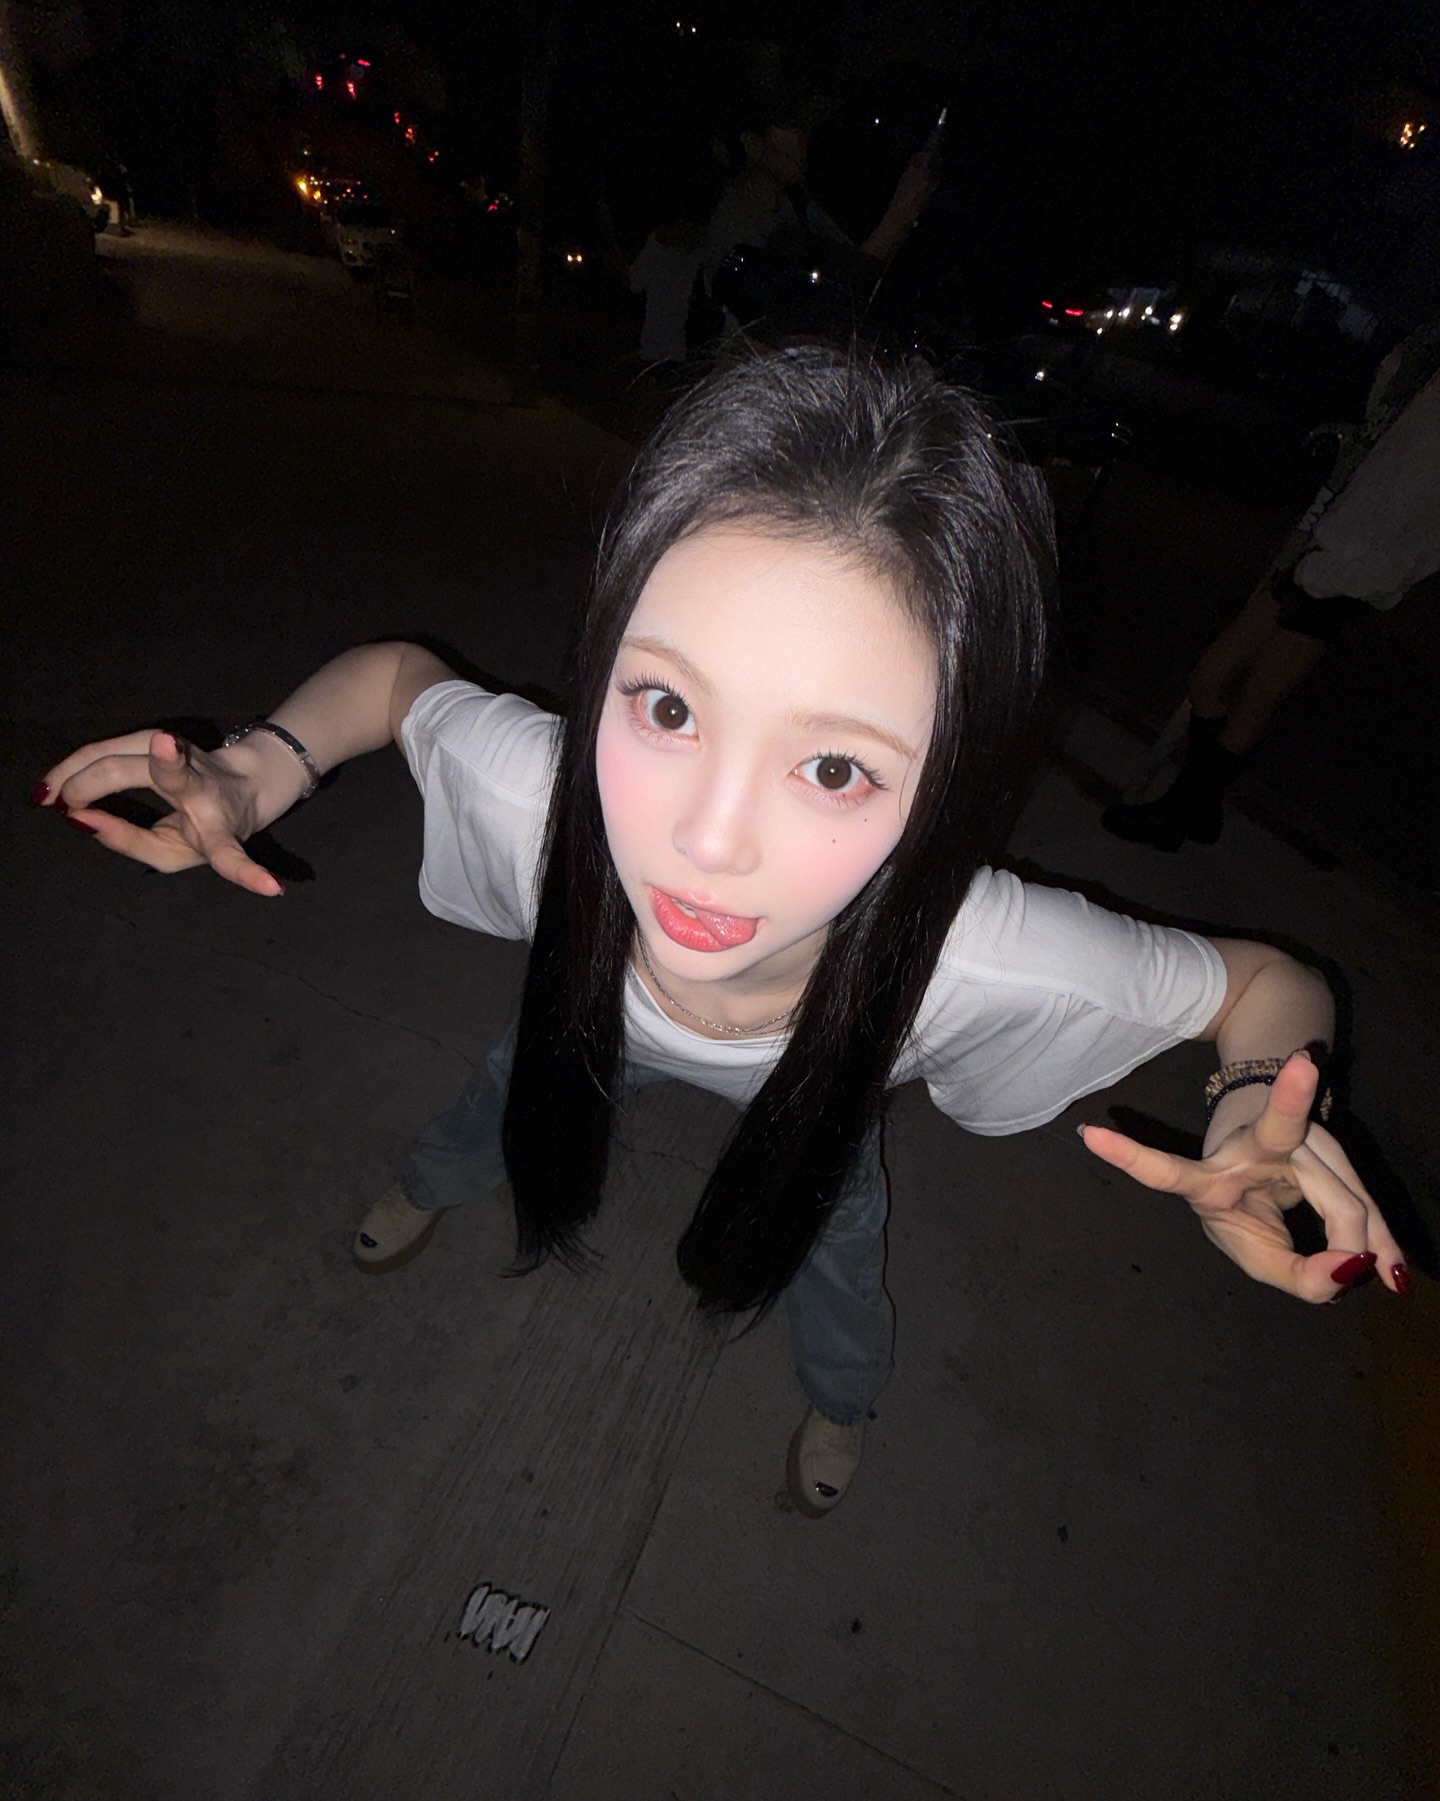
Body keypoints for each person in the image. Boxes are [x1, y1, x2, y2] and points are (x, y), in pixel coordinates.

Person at [36, 348, 1408, 1520]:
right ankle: (433, 1182)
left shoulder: (975, 955)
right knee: (507, 1092)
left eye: (834, 767)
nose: (703, 839)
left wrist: (1253, 1099)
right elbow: (400, 684)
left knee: (835, 1244)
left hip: (825, 1089)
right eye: (669, 707)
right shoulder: (550, 802)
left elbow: (1262, 984)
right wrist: (261, 767)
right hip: (584, 1010)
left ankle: (842, 1398)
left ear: (944, 789)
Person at [1103, 319, 1440, 851]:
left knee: (1251, 697)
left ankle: (1181, 812)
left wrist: (1351, 570)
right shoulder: (1425, 351)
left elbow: (1418, 511)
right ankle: (1199, 806)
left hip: (1353, 569)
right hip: (1326, 538)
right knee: (1212, 678)